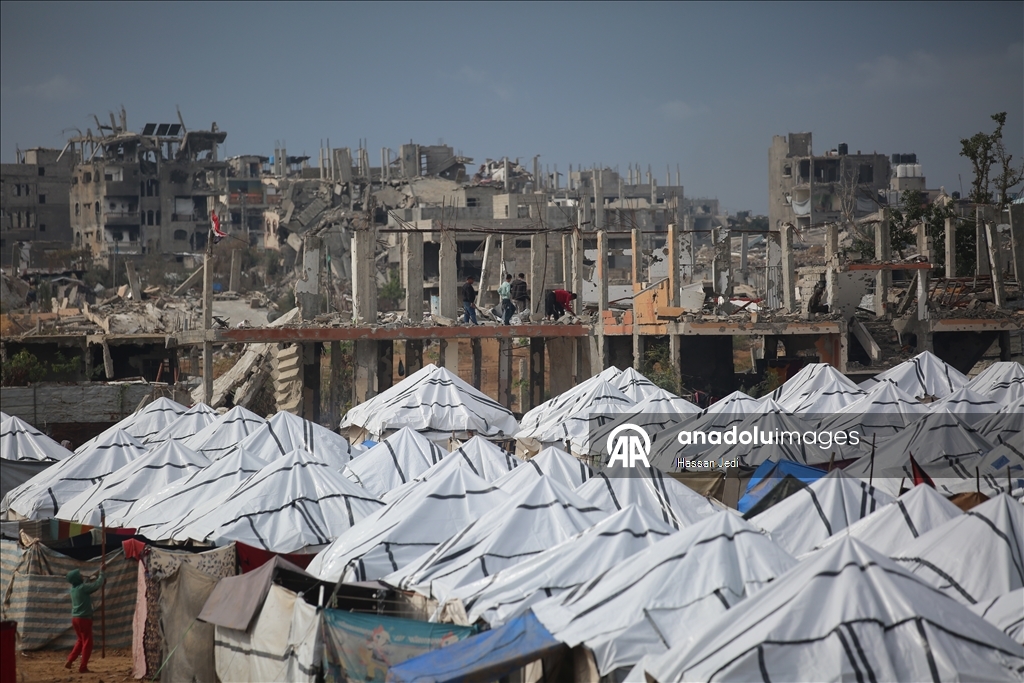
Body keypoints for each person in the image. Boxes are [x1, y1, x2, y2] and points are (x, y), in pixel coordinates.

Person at [65, 568, 105, 673]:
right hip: (84, 619)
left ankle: (70, 659)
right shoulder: (83, 588)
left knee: (80, 640)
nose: (82, 576)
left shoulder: (73, 590)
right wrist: (102, 573)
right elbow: (97, 585)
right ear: (77, 579)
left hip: (75, 619)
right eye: (80, 575)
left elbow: (85, 586)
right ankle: (83, 667)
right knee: (88, 643)